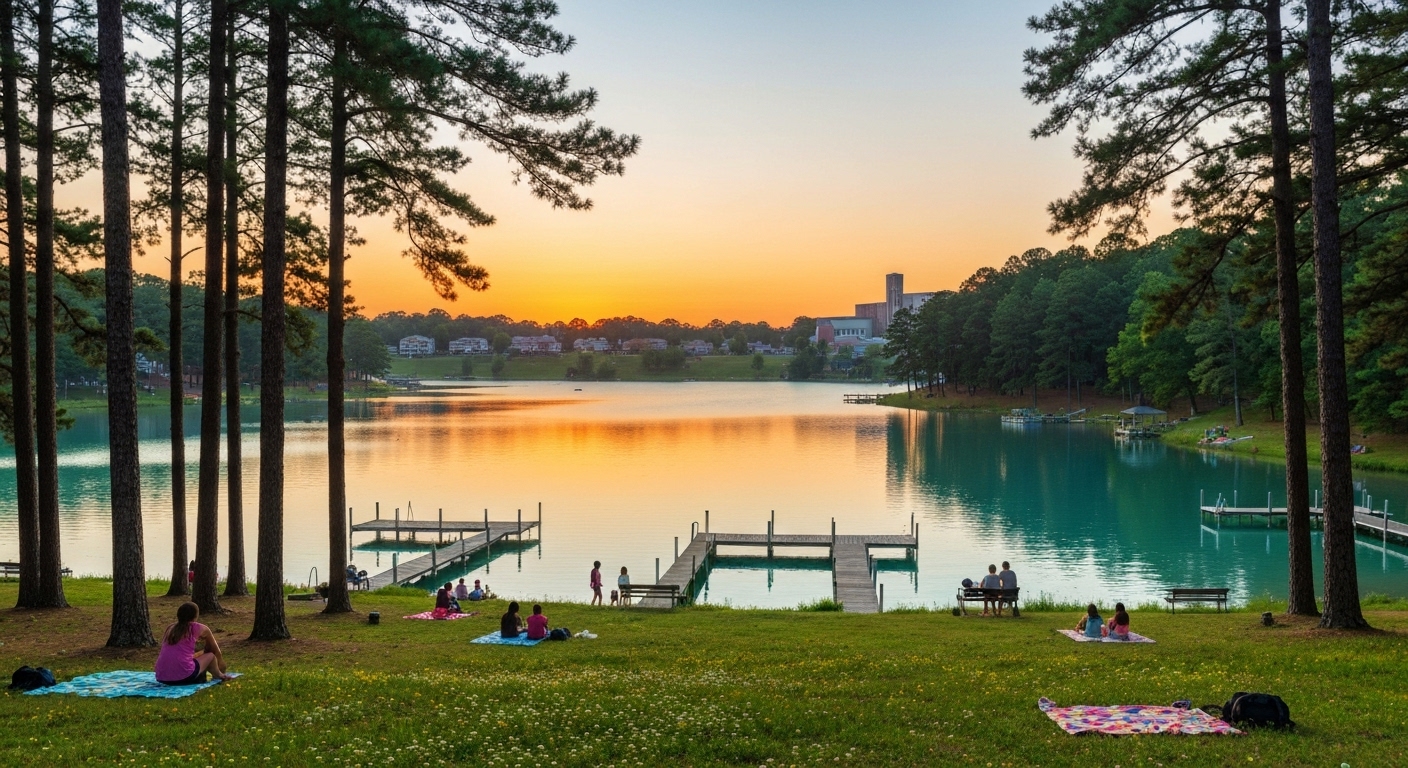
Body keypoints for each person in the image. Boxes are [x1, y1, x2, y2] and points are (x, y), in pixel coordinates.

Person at [155, 602, 231, 685]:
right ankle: (219, 675)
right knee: (210, 656)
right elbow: (215, 649)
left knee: (195, 656)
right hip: (185, 676)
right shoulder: (200, 628)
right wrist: (221, 665)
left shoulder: (170, 628)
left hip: (161, 676)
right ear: (195, 616)